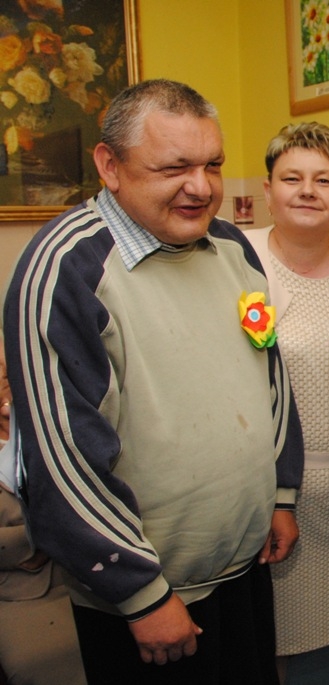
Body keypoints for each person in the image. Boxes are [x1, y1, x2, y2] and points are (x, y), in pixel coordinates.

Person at [2, 79, 303, 685]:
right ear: (109, 166)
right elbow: (62, 459)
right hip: (147, 597)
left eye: (213, 164)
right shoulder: (65, 268)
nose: (202, 187)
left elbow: (269, 374)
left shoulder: (231, 246)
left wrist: (280, 493)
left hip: (243, 567)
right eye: (174, 168)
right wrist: (140, 593)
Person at [242, 122, 329, 685]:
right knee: (269, 629)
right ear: (268, 189)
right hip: (268, 496)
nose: (307, 191)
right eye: (291, 178)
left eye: (324, 180)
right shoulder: (235, 260)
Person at [0, 345, 86, 685]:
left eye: (5, 366)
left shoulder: (51, 422)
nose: (4, 376)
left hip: (91, 577)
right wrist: (41, 535)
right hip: (25, 593)